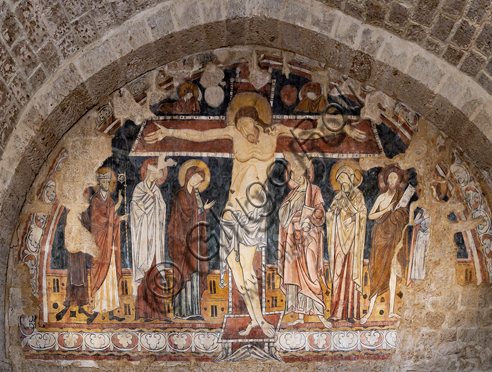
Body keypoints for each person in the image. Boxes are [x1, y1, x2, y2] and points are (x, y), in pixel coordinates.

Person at [145, 92, 366, 337]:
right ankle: (256, 317)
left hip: (253, 212)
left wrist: (343, 127)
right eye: (239, 126)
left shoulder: (274, 133)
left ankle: (259, 319)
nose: (244, 130)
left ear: (256, 120)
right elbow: (201, 135)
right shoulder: (234, 133)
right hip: (231, 211)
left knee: (247, 270)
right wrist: (168, 132)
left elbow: (308, 134)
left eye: (246, 125)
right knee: (232, 263)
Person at [277, 153, 331, 328]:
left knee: (311, 272)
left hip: (309, 237)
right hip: (293, 237)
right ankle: (300, 314)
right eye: (293, 172)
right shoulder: (291, 194)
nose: (295, 174)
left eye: (298, 170)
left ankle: (320, 312)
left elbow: (321, 213)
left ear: (305, 172)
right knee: (295, 276)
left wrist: (310, 217)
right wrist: (290, 210)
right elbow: (283, 218)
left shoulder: (314, 190)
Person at [360, 165, 409, 324]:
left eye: (396, 178)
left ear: (399, 180)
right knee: (377, 272)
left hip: (394, 238)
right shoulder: (381, 198)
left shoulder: (401, 198)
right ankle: (369, 311)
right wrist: (386, 210)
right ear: (386, 180)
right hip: (380, 237)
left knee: (393, 272)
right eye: (391, 178)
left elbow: (405, 217)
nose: (393, 180)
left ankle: (392, 311)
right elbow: (371, 215)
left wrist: (399, 213)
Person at [130, 155, 176, 321]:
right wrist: (149, 199)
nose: (157, 177)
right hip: (143, 238)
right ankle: (144, 313)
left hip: (155, 239)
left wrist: (155, 200)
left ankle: (159, 313)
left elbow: (162, 209)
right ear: (149, 173)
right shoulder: (139, 189)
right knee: (146, 274)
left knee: (156, 274)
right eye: (155, 174)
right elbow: (136, 210)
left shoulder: (156, 191)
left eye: (159, 175)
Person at [168, 160, 215, 320]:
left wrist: (203, 210)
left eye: (199, 181)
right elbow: (186, 214)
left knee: (195, 273)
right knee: (183, 274)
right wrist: (202, 209)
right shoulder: (181, 194)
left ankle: (193, 311)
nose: (197, 182)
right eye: (195, 178)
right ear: (188, 176)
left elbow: (198, 217)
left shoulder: (197, 196)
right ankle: (181, 312)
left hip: (195, 243)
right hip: (182, 243)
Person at [326, 160, 366, 323]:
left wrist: (351, 211)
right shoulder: (337, 197)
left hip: (353, 242)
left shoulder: (358, 195)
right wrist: (335, 213)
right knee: (338, 275)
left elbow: (362, 214)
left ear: (351, 179)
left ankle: (352, 312)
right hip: (338, 241)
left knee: (350, 274)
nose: (343, 184)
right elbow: (329, 215)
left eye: (345, 180)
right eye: (340, 181)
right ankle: (336, 312)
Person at [88, 167, 127, 324]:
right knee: (100, 272)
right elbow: (99, 221)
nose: (105, 184)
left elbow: (112, 219)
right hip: (100, 244)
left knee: (110, 274)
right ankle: (97, 309)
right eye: (103, 181)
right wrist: (119, 204)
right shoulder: (96, 201)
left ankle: (111, 310)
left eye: (107, 181)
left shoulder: (110, 201)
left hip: (110, 245)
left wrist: (120, 218)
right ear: (98, 183)